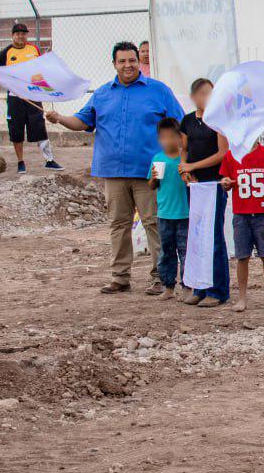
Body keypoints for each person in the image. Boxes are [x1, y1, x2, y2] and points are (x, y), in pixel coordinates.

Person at [46, 41, 183, 293]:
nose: (128, 65)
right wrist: (60, 118)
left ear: (138, 62)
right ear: (114, 64)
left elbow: (179, 125)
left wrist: (180, 159)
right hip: (113, 170)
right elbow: (82, 121)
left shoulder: (159, 91)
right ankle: (120, 277)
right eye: (122, 61)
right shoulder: (102, 93)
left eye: (132, 60)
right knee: (118, 224)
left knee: (154, 222)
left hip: (150, 170)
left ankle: (160, 278)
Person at [178, 78, 230, 308]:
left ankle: (218, 290)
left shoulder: (218, 120)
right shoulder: (188, 120)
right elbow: (184, 149)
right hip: (196, 186)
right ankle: (199, 286)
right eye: (200, 93)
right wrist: (184, 168)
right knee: (197, 236)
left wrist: (193, 166)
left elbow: (222, 153)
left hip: (215, 184)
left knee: (214, 236)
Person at [220, 138, 264, 312]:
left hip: (262, 215)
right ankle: (242, 297)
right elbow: (227, 180)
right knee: (242, 256)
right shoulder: (231, 155)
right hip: (241, 215)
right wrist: (226, 183)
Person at [0, 22, 62, 173]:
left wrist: (46, 88)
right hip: (15, 96)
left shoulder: (34, 49)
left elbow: (40, 70)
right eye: (18, 33)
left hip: (33, 94)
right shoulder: (5, 52)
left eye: (23, 33)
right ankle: (20, 162)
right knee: (16, 129)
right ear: (12, 35)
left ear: (27, 35)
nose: (21, 36)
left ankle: (49, 160)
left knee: (39, 126)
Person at [149, 117, 189, 301]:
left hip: (184, 213)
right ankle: (168, 286)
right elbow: (152, 185)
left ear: (180, 138)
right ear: (159, 139)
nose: (168, 141)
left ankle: (188, 287)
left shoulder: (185, 158)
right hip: (164, 213)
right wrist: (154, 178)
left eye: (172, 137)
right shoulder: (157, 159)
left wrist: (187, 176)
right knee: (167, 250)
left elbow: (191, 182)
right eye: (163, 137)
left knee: (185, 250)